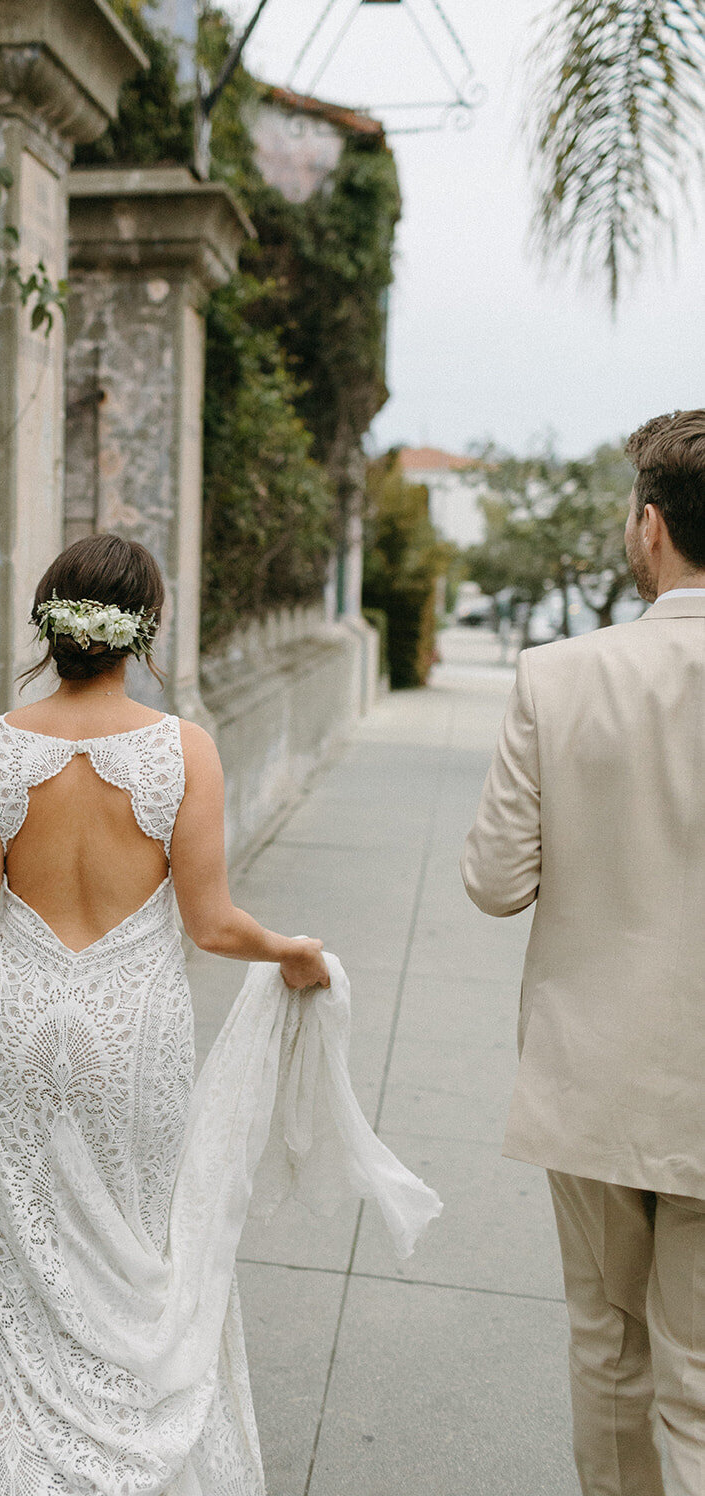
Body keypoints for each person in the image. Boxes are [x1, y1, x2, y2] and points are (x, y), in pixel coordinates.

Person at [0, 532, 329, 1494]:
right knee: (139, 1239)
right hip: (134, 1032)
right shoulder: (182, 750)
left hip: (21, 1026)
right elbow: (210, 924)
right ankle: (144, 1450)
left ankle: (37, 1465)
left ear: (49, 624)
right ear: (142, 634)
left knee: (26, 1240)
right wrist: (285, 948)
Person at [461, 410, 705, 1496]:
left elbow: (494, 879)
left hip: (594, 1071)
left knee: (607, 1349)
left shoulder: (557, 676)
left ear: (647, 527)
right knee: (698, 1379)